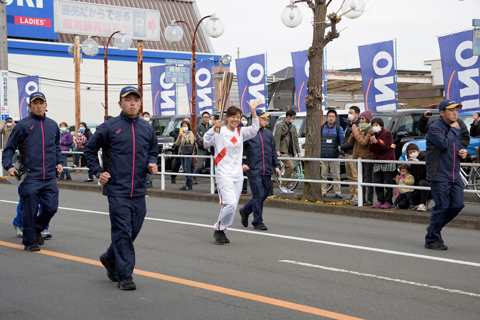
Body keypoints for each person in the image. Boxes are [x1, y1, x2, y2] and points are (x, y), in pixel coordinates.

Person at [84, 86, 159, 290]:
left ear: (140, 103)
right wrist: (98, 172)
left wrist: (152, 163)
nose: (132, 103)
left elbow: (153, 150)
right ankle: (125, 276)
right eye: (128, 100)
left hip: (139, 189)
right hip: (117, 190)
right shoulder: (109, 127)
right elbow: (89, 150)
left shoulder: (146, 128)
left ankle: (109, 257)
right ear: (120, 104)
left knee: (132, 230)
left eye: (136, 100)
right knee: (122, 231)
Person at [2, 92, 63, 252]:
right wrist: (9, 166)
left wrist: (59, 162)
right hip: (29, 176)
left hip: (49, 176)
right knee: (30, 210)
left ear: (46, 105)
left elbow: (56, 147)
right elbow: (9, 148)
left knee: (51, 207)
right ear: (29, 106)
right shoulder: (22, 125)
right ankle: (29, 242)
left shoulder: (52, 125)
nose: (38, 106)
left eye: (41, 103)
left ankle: (36, 229)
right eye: (35, 103)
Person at [204, 100, 261, 245]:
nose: (236, 119)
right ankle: (218, 229)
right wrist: (213, 128)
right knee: (229, 203)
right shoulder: (219, 131)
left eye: (238, 117)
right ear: (226, 118)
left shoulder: (241, 132)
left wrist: (253, 111)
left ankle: (222, 231)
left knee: (234, 205)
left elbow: (254, 129)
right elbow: (206, 141)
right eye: (233, 116)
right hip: (223, 174)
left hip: (237, 175)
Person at [425, 100, 467, 250]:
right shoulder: (435, 128)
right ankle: (432, 238)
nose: (455, 112)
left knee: (458, 205)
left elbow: (454, 146)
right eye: (451, 110)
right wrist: (454, 130)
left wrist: (462, 152)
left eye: (456, 110)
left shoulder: (456, 127)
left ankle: (433, 229)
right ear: (442, 113)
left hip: (454, 173)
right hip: (439, 174)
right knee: (442, 207)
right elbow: (444, 144)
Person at [239, 109, 281, 230]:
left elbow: (273, 152)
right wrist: (242, 164)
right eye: (263, 118)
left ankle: (245, 210)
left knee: (264, 194)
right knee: (258, 196)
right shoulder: (248, 134)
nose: (266, 120)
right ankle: (257, 221)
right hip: (253, 170)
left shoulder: (268, 134)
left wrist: (276, 165)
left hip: (266, 170)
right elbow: (239, 151)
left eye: (266, 118)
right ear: (255, 119)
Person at [369, 117, 396, 209]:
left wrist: (376, 142)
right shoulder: (373, 135)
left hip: (387, 161)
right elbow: (371, 149)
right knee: (378, 182)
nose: (375, 127)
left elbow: (386, 147)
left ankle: (388, 201)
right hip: (377, 162)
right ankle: (380, 200)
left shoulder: (387, 133)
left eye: (376, 125)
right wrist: (372, 143)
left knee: (388, 183)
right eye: (373, 125)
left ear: (381, 125)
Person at [348, 110, 374, 206]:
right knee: (360, 179)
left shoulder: (370, 130)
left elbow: (363, 142)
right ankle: (361, 199)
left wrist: (356, 133)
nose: (361, 120)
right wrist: (353, 132)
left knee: (368, 179)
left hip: (367, 158)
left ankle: (370, 199)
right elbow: (350, 142)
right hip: (358, 158)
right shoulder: (358, 129)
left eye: (363, 118)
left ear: (367, 119)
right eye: (360, 119)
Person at [274, 109, 301, 194]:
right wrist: (277, 150)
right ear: (288, 116)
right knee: (290, 166)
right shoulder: (280, 125)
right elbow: (277, 138)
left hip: (291, 151)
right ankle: (282, 185)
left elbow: (296, 139)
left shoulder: (293, 126)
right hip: (283, 151)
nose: (294, 119)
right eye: (293, 117)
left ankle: (286, 187)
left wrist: (298, 151)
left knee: (288, 168)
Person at [320, 109, 344, 198]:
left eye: (333, 117)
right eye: (329, 116)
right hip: (323, 156)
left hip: (334, 156)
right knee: (323, 175)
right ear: (327, 117)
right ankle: (323, 191)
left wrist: (341, 153)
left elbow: (342, 142)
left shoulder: (338, 129)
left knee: (336, 175)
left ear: (335, 118)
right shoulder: (321, 128)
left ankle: (338, 192)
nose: (331, 118)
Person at [339, 106, 360, 202]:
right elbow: (344, 137)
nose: (349, 114)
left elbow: (352, 141)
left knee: (355, 175)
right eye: (349, 112)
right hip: (347, 153)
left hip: (353, 153)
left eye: (351, 113)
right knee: (349, 175)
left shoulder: (357, 125)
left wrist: (343, 146)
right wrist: (342, 145)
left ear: (357, 114)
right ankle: (352, 194)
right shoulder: (349, 125)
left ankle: (357, 194)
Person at [403, 143, 432, 212]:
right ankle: (420, 200)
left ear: (418, 151)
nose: (412, 153)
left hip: (429, 186)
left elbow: (428, 171)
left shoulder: (425, 158)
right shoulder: (411, 161)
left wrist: (419, 163)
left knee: (422, 182)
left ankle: (423, 203)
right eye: (410, 152)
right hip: (417, 187)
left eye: (414, 151)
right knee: (403, 204)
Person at [175, 119, 195, 190]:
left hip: (188, 153)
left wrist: (184, 136)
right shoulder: (181, 133)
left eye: (185, 126)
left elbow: (191, 142)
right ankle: (188, 183)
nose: (184, 127)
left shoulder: (190, 133)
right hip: (182, 153)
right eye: (183, 126)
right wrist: (179, 136)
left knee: (187, 168)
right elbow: (177, 143)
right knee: (184, 169)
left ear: (188, 126)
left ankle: (189, 184)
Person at [193, 111, 211, 185]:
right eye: (205, 117)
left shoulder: (211, 127)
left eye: (207, 117)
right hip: (201, 148)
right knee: (199, 166)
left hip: (210, 149)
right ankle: (193, 178)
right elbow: (198, 138)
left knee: (211, 165)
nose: (206, 118)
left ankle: (212, 181)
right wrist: (203, 145)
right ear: (202, 118)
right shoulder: (198, 127)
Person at [143, 112, 154, 188]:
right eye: (146, 116)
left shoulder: (150, 126)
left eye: (148, 116)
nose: (147, 117)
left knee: (150, 165)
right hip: (141, 150)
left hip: (148, 149)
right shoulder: (139, 125)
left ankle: (149, 182)